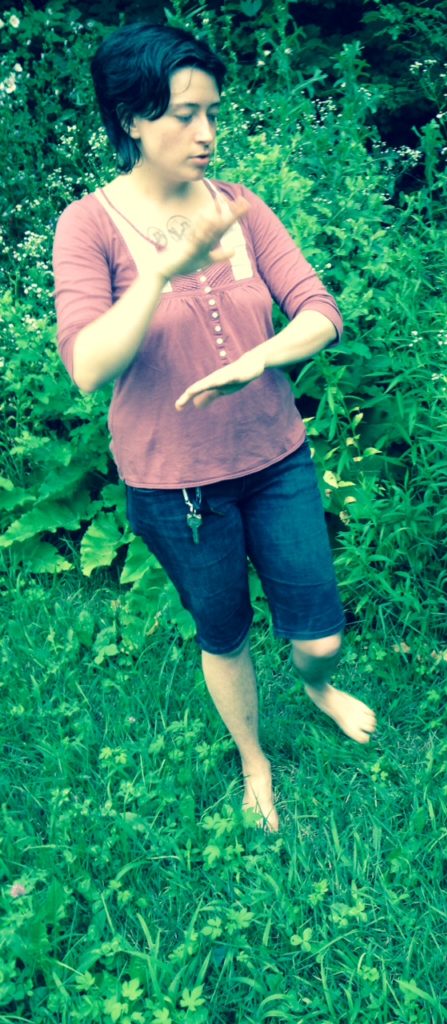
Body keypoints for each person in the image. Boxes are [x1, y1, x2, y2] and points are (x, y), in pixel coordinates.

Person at [52, 22, 376, 832]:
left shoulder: (240, 207)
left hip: (275, 458)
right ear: (131, 118)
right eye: (184, 115)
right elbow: (89, 363)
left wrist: (257, 358)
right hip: (176, 483)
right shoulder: (86, 227)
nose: (207, 134)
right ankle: (255, 759)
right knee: (223, 630)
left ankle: (317, 684)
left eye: (212, 113)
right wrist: (161, 271)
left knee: (321, 636)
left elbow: (319, 311)